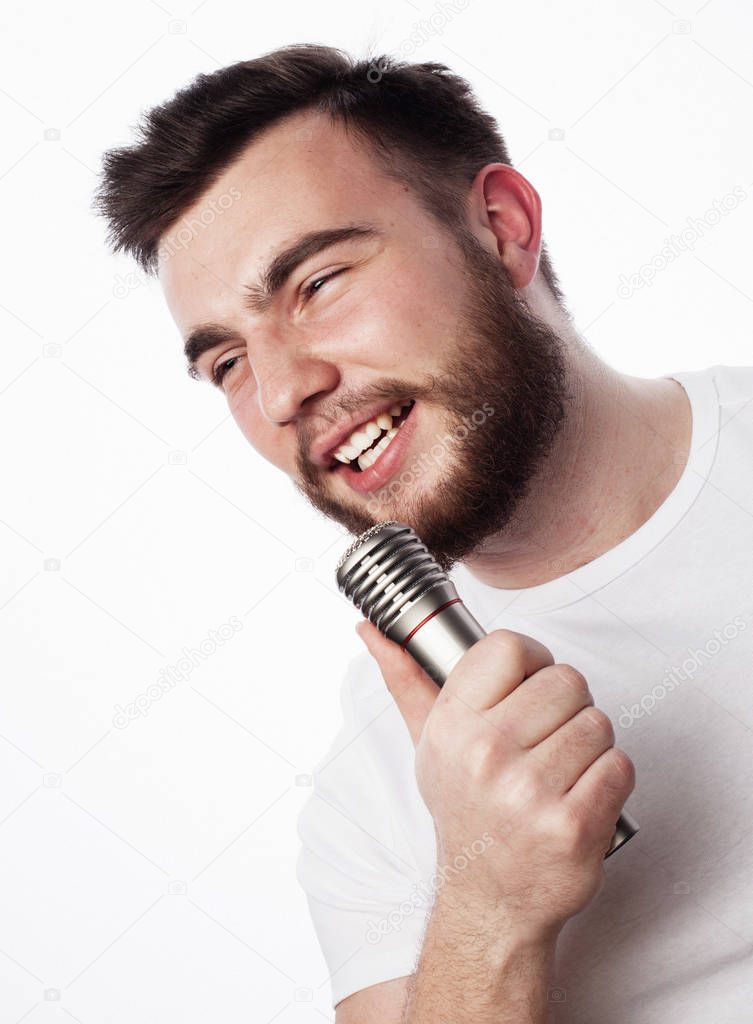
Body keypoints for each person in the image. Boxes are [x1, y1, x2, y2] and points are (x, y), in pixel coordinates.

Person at [93, 43, 753, 1023]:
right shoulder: (377, 796)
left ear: (501, 228)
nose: (281, 392)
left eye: (315, 284)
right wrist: (489, 908)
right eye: (227, 361)